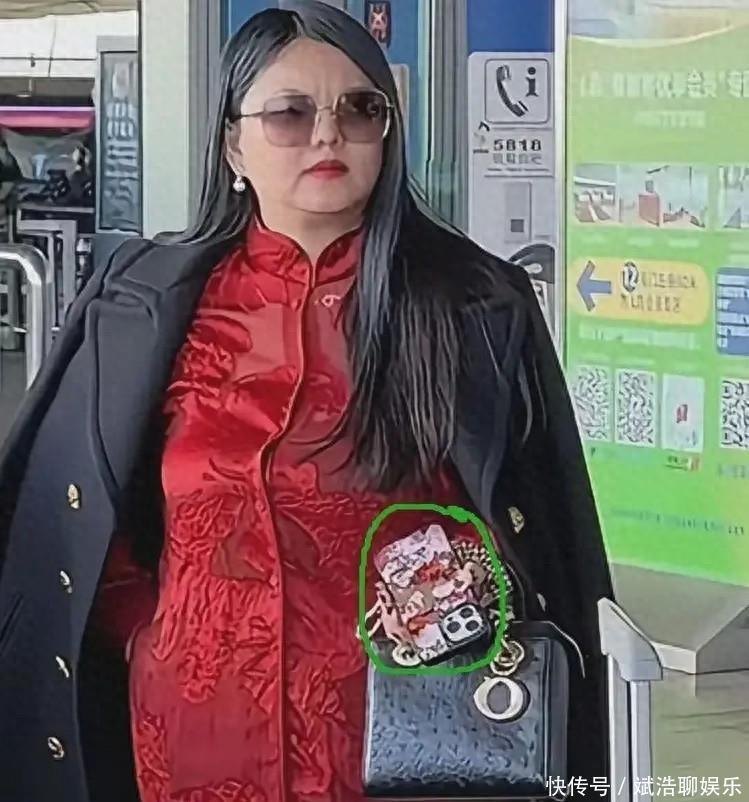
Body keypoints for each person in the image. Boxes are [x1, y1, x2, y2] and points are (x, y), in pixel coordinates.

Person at [0, 3, 613, 801]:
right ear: (233, 145)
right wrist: (156, 633)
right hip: (193, 734)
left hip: (407, 740)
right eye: (290, 114)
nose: (328, 136)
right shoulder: (140, 303)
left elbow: (546, 542)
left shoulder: (474, 306)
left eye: (360, 110)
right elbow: (77, 520)